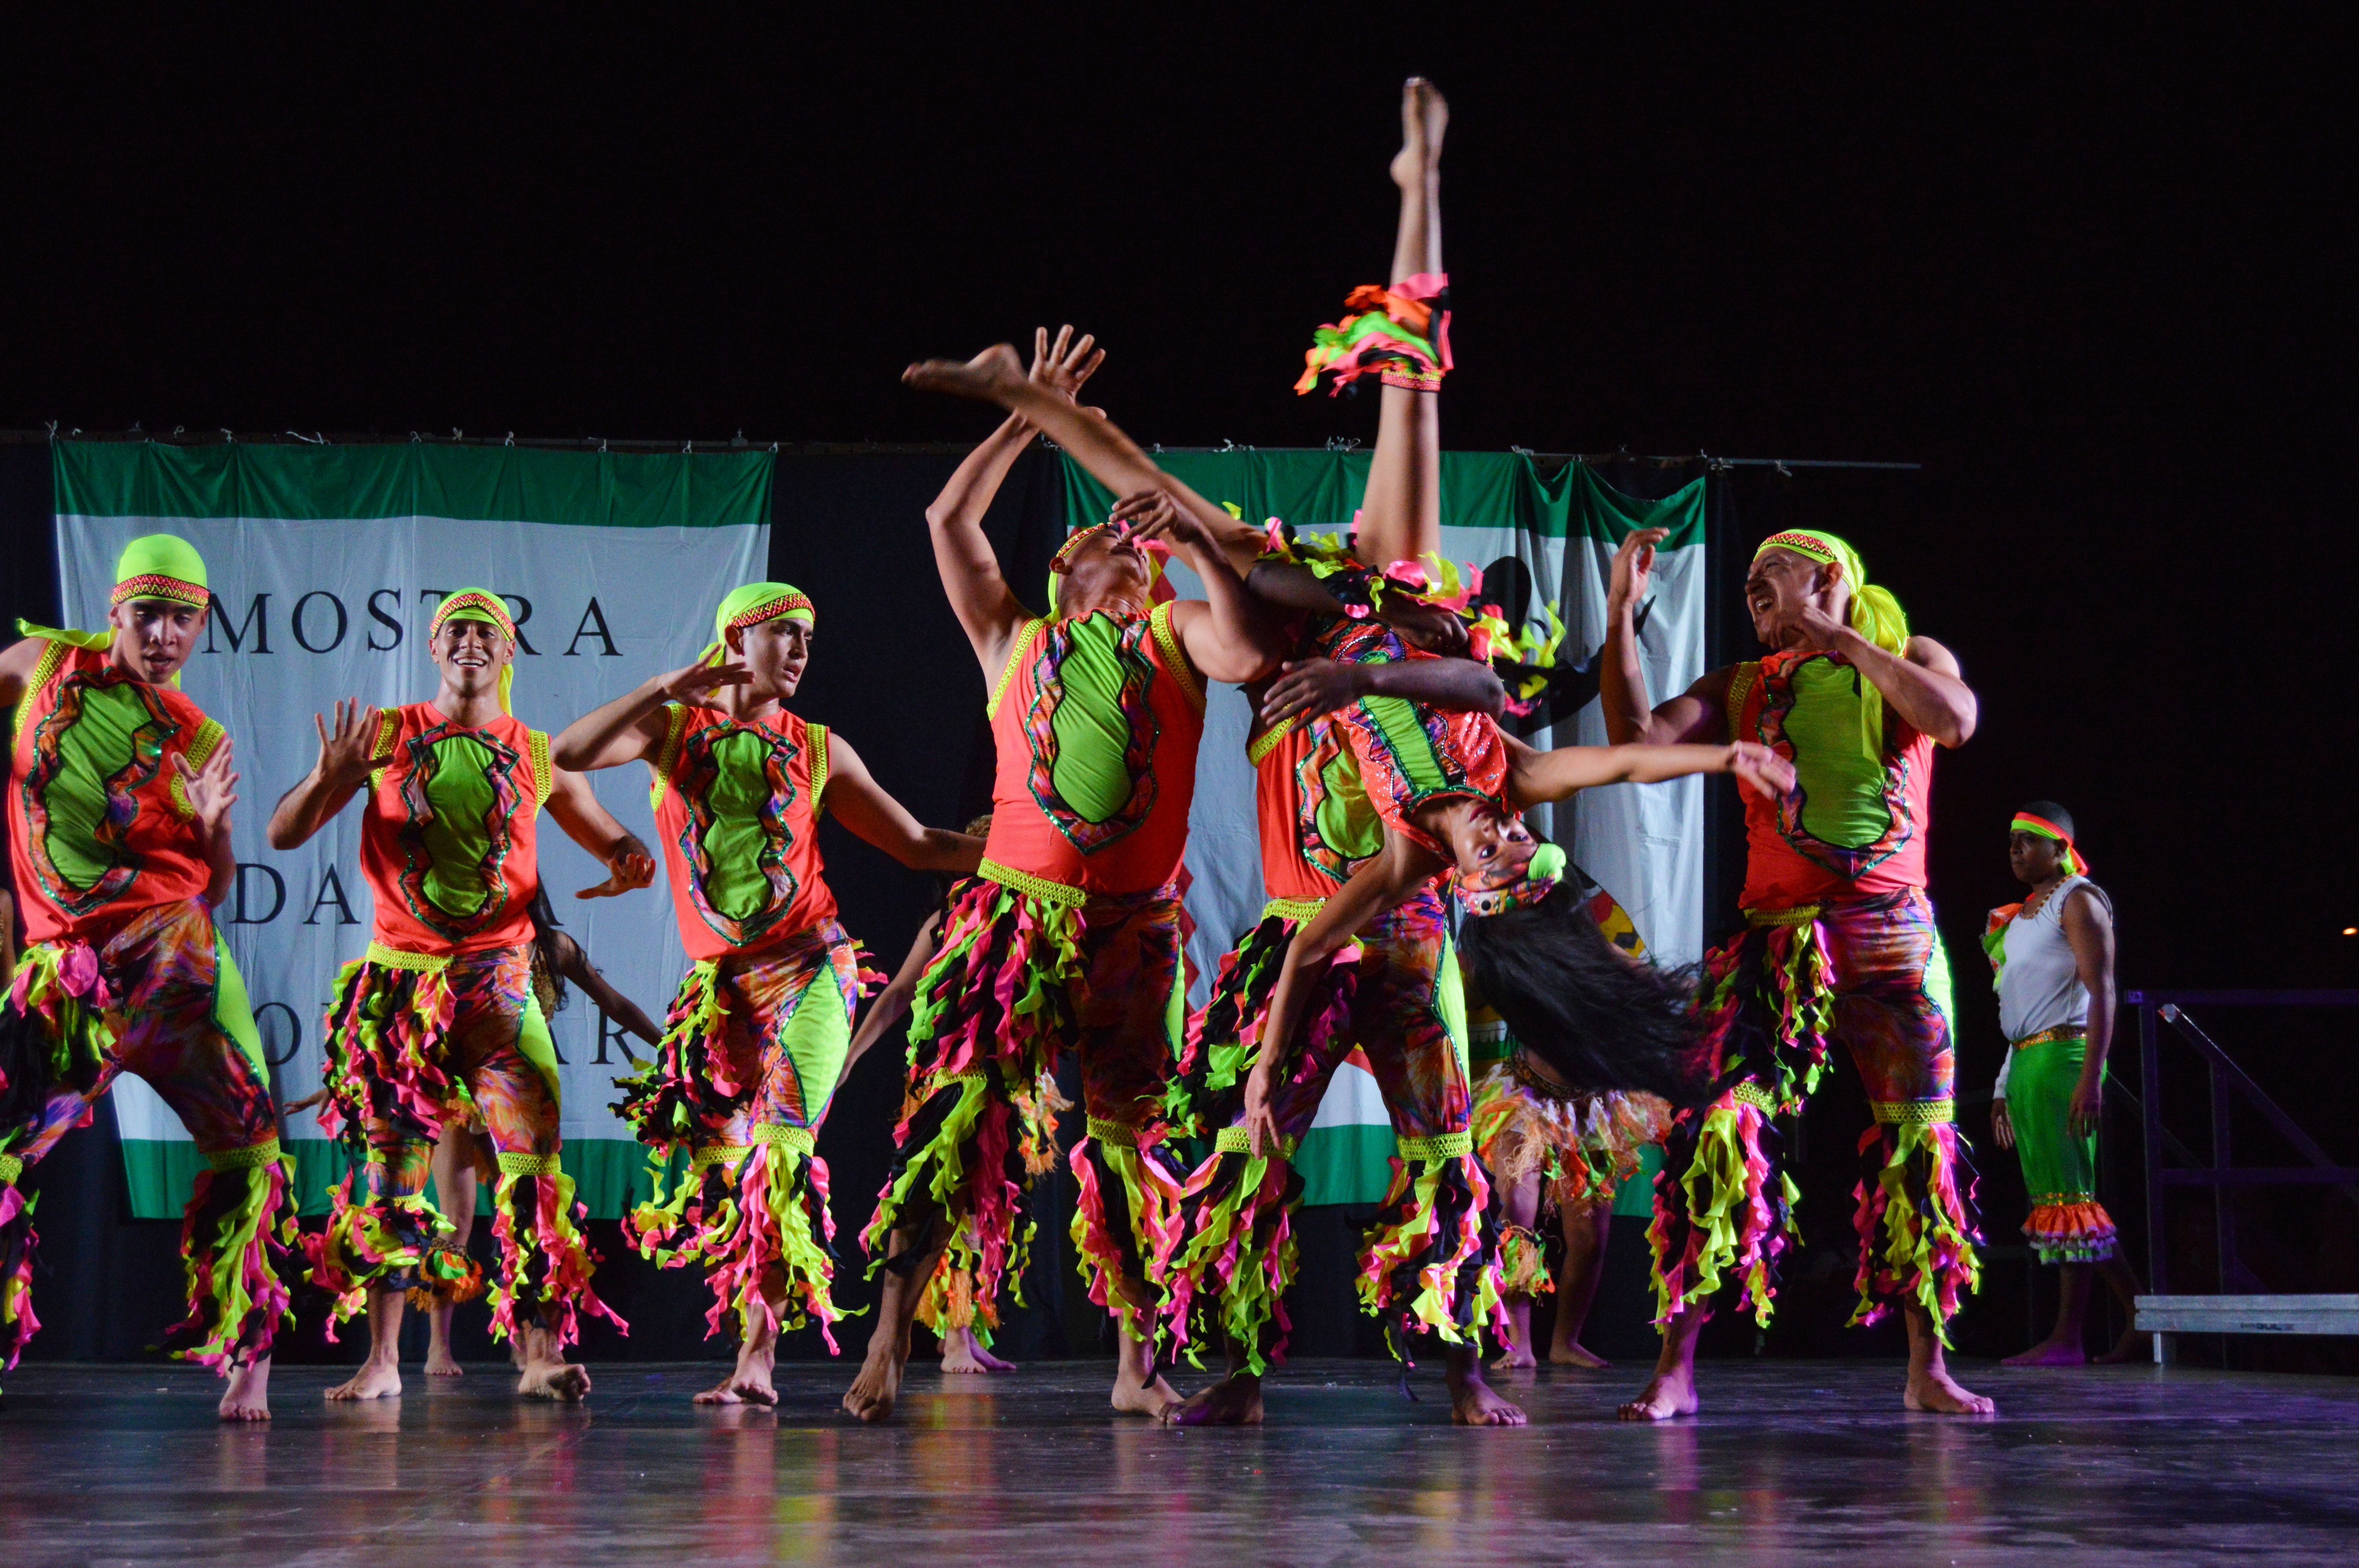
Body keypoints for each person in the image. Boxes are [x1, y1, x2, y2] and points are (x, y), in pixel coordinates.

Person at [849, 326, 1284, 1423]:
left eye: (1135, 545)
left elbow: (1250, 652)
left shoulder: (1176, 632)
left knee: (1133, 1144)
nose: (1124, 547)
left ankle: (1141, 1365)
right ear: (1062, 572)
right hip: (1011, 922)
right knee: (956, 1123)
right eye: (1108, 541)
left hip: (1133, 933)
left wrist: (1188, 538)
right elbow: (950, 521)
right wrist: (1024, 412)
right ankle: (891, 1341)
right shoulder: (1014, 637)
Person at [554, 581, 983, 1405]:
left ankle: (757, 1360)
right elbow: (569, 754)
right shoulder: (673, 727)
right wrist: (660, 689)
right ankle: (750, 1337)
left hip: (812, 970)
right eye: (781, 635)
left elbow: (920, 845)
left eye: (806, 641)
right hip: (721, 990)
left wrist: (1027, 856)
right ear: (734, 642)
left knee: (782, 1155)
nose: (797, 653)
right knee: (724, 1167)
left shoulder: (817, 747)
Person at [1599, 523, 1990, 1419]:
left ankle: (1927, 1367)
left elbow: (1955, 721)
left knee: (1919, 1149)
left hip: (1892, 936)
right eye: (1745, 585)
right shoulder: (1740, 686)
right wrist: (1621, 619)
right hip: (1775, 942)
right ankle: (1675, 1366)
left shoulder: (1902, 656)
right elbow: (1638, 741)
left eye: (1765, 575)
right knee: (1713, 1140)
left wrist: (1837, 634)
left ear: (1825, 575)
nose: (1751, 592)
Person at [269, 588, 654, 1403]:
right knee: (389, 1176)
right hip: (400, 990)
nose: (472, 641)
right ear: (435, 650)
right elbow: (284, 831)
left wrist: (628, 854)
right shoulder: (382, 735)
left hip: (501, 989)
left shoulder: (535, 751)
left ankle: (540, 1353)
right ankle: (380, 1359)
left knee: (536, 1168)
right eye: (457, 630)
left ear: (509, 653)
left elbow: (604, 830)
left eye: (488, 631)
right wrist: (331, 776)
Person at [0, 535, 296, 1421]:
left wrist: (214, 829)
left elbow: (215, 884)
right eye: (149, 613)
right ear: (116, 610)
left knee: (251, 1146)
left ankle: (249, 1359)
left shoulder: (198, 733)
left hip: (178, 965)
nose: (164, 634)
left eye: (183, 619)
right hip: (72, 978)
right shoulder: (39, 666)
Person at [1466, 878, 1674, 1372]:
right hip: (1527, 1100)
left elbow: (1652, 986)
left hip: (1595, 1107)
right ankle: (1519, 1344)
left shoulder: (1594, 954)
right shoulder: (1512, 952)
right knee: (1518, 1216)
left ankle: (1565, 1341)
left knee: (1591, 1238)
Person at [839, 820, 1022, 1375]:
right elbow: (897, 994)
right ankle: (952, 1337)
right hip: (944, 1078)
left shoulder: (1028, 917)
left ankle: (959, 1331)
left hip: (1002, 1076)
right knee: (945, 1199)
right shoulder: (948, 920)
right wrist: (851, 1056)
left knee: (978, 1212)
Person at [1986, 803, 2146, 1365]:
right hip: (2030, 1061)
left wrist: (2091, 1078)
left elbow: (2101, 991)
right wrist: (2005, 1084)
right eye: (2011, 842)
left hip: (2065, 1058)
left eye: (2029, 841)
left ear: (2060, 847)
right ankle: (2133, 1316)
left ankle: (2073, 1335)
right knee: (2055, 1201)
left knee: (2071, 1199)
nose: (2016, 850)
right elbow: (2018, 1009)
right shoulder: (2017, 918)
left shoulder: (2077, 899)